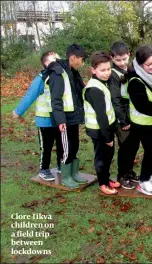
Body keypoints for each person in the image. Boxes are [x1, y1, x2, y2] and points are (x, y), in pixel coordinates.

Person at [117, 44, 152, 196]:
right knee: (141, 149)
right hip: (140, 123)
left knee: (151, 149)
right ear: (140, 65)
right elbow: (143, 106)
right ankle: (143, 181)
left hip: (151, 122)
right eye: (150, 64)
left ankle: (147, 173)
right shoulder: (135, 81)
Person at [13, 51, 63, 181]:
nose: (59, 61)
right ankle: (44, 170)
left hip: (59, 119)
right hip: (45, 120)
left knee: (62, 144)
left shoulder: (60, 76)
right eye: (55, 59)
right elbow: (30, 96)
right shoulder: (41, 78)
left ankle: (60, 166)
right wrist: (18, 111)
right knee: (46, 147)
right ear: (47, 63)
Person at [48, 44, 88, 189]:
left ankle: (74, 173)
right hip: (63, 119)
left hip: (74, 118)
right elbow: (56, 99)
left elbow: (80, 91)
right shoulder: (58, 73)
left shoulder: (73, 72)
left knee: (75, 145)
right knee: (66, 148)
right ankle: (66, 177)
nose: (82, 63)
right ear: (73, 58)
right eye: (81, 60)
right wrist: (60, 120)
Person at [82, 51, 121, 195]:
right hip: (99, 130)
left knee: (108, 155)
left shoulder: (102, 82)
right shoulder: (94, 89)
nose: (107, 73)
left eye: (109, 69)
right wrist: (107, 137)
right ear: (93, 70)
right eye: (102, 70)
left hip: (106, 128)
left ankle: (106, 178)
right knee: (102, 158)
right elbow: (101, 116)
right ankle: (103, 183)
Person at [108, 41, 135, 190]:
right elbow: (116, 99)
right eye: (118, 60)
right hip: (121, 117)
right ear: (112, 58)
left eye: (124, 59)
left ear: (128, 55)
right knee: (125, 147)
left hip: (132, 114)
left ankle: (129, 171)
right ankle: (121, 175)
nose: (122, 62)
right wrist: (123, 120)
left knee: (132, 146)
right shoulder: (113, 74)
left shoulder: (130, 69)